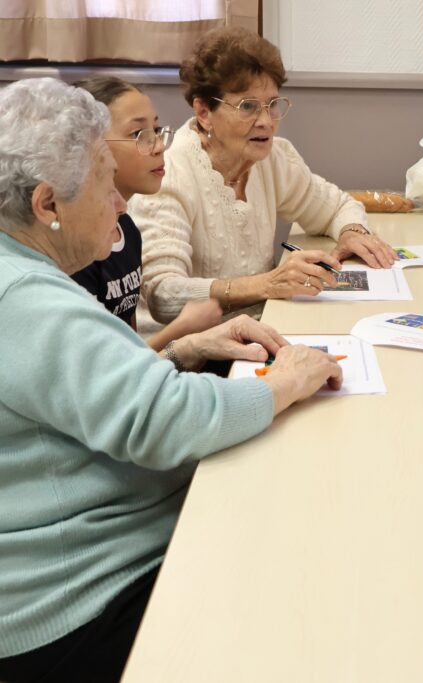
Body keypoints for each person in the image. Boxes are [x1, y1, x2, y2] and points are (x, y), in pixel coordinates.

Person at [0, 77, 342, 682]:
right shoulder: (26, 298)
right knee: (311, 586)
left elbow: (86, 387)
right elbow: (167, 421)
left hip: (95, 558)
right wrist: (284, 382)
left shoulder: (22, 273)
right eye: (106, 184)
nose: (121, 203)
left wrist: (182, 350)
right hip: (81, 596)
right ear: (48, 205)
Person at [131, 26, 397, 329]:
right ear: (204, 112)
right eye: (248, 106)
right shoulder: (170, 174)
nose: (266, 122)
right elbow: (164, 295)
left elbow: (337, 206)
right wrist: (267, 284)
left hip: (261, 327)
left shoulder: (273, 159)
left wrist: (352, 233)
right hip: (188, 346)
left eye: (272, 105)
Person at [72, 75, 222, 350]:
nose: (159, 146)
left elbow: (130, 342)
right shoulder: (77, 251)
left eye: (156, 130)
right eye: (137, 135)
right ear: (91, 146)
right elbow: (106, 368)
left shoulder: (127, 230)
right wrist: (184, 328)